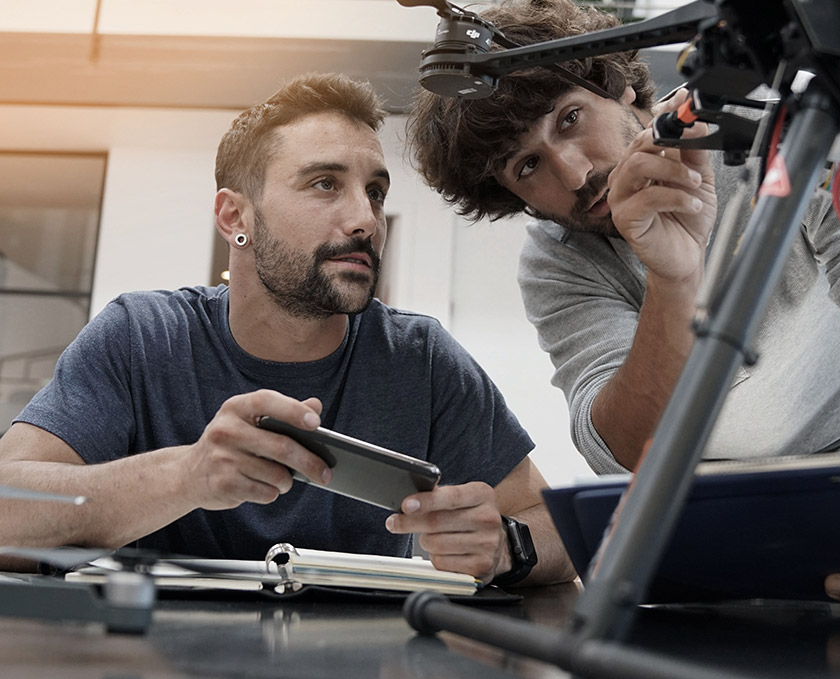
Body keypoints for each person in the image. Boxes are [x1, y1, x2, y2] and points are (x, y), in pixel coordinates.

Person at [406, 0, 840, 618]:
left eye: (570, 119)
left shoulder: (795, 137)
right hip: (708, 520)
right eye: (527, 167)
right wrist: (673, 276)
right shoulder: (559, 260)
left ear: (623, 88)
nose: (574, 174)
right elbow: (622, 449)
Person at [0, 72, 575, 589]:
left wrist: (506, 546)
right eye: (325, 184)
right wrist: (185, 476)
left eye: (375, 192)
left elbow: (552, 527)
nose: (365, 220)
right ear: (235, 217)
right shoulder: (141, 337)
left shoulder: (421, 360)